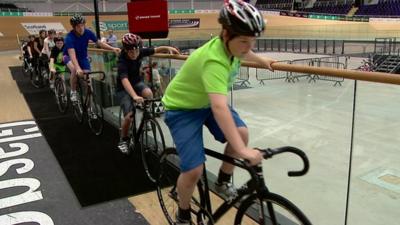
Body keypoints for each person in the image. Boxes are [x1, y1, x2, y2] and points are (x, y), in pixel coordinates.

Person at [161, 0, 276, 224]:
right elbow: (219, 107)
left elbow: (244, 52)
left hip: (203, 102)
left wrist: (261, 60)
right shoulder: (214, 61)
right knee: (194, 170)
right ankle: (183, 214)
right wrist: (243, 151)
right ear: (225, 33)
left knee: (240, 133)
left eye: (251, 41)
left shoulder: (232, 46)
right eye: (243, 41)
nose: (247, 46)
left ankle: (222, 182)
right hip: (182, 108)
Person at [115, 32, 180, 154]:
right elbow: (124, 80)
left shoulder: (139, 50)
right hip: (124, 88)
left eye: (136, 51)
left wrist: (168, 48)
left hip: (136, 82)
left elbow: (155, 49)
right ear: (126, 50)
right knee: (129, 116)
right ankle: (123, 139)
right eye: (130, 52)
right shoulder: (122, 61)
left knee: (149, 93)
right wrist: (134, 96)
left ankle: (146, 118)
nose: (134, 54)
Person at [63, 14, 120, 102]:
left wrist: (113, 49)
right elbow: (72, 55)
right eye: (78, 26)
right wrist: (78, 68)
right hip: (69, 57)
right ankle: (73, 91)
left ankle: (89, 104)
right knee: (74, 70)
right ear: (74, 27)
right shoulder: (69, 37)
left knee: (87, 78)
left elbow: (99, 43)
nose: (81, 28)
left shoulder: (88, 32)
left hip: (82, 56)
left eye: (82, 25)